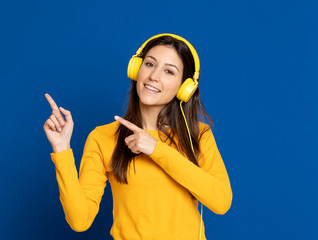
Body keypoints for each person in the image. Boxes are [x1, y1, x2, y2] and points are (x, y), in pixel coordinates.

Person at [43, 34, 233, 240]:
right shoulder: (103, 137)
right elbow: (79, 221)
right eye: (150, 64)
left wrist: (156, 149)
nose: (154, 76)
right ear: (136, 69)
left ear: (184, 88)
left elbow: (221, 202)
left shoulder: (198, 134)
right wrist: (61, 149)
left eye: (169, 71)